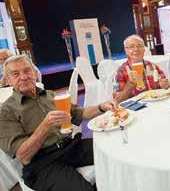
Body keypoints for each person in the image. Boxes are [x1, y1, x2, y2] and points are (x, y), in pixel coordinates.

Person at [0, 54, 118, 190]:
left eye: (27, 70)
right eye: (15, 74)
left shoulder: (50, 95)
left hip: (71, 146)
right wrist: (45, 126)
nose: (24, 76)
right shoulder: (6, 111)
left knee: (114, 151)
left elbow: (78, 113)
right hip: (43, 162)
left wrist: (101, 107)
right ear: (7, 80)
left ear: (34, 73)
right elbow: (24, 156)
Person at [113, 34, 169, 103]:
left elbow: (166, 87)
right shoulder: (121, 71)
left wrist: (165, 85)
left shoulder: (152, 66)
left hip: (156, 104)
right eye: (131, 47)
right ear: (126, 51)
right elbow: (117, 100)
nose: (136, 49)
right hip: (135, 109)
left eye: (139, 46)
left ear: (144, 50)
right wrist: (129, 85)